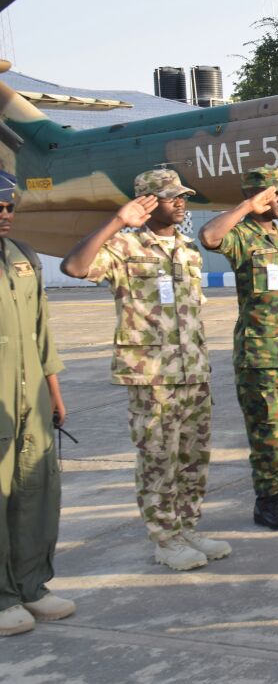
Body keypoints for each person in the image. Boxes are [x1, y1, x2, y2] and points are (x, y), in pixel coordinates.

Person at [60, 169, 230, 572]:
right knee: (158, 460)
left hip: (193, 372)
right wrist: (119, 220)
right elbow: (75, 267)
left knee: (193, 458)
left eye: (181, 196)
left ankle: (188, 528)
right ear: (148, 202)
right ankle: (165, 539)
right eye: (170, 197)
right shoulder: (124, 246)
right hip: (151, 376)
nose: (179, 203)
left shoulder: (188, 250)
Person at [199, 166, 278, 530]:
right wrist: (246, 206)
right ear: (255, 197)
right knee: (266, 432)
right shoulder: (242, 235)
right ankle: (265, 501)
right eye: (273, 194)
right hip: (260, 355)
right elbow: (208, 236)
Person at [0, 171, 74, 636]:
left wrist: (54, 391)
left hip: (31, 396)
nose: (5, 214)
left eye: (9, 206)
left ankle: (31, 586)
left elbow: (41, 331)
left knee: (35, 490)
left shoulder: (22, 256)